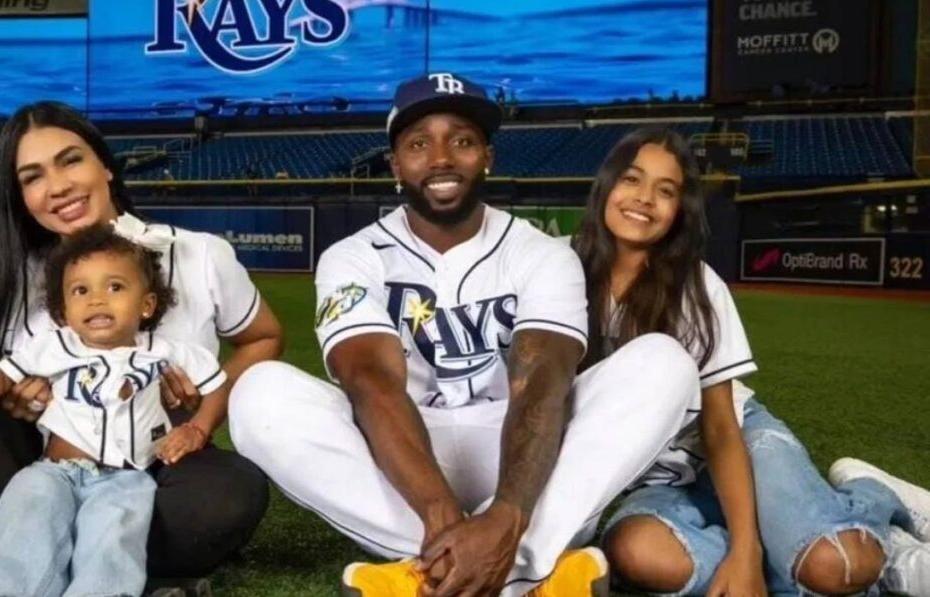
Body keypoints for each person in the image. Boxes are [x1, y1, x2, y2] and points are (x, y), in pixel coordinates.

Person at [227, 72, 702, 596]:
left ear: (487, 157)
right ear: (395, 166)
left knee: (665, 363)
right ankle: (526, 571)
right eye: (418, 144)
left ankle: (434, 574)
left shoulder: (541, 252)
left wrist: (508, 513)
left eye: (462, 141)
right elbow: (370, 382)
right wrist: (441, 513)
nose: (441, 158)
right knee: (257, 392)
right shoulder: (353, 257)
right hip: (404, 456)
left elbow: (543, 382)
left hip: (520, 452)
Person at [0, 101, 282, 593]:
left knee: (232, 491)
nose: (58, 186)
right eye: (33, 177)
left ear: (105, 165)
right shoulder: (19, 278)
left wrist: (197, 421)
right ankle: (106, 575)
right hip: (48, 470)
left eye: (71, 160)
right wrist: (16, 400)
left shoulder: (198, 253)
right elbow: (7, 379)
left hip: (152, 468)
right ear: (21, 197)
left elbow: (263, 337)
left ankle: (12, 570)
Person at [572, 126, 930, 596]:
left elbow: (721, 428)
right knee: (637, 554)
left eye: (666, 190)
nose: (644, 198)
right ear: (607, 183)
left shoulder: (696, 286)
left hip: (740, 443)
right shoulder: (561, 270)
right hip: (662, 480)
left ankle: (875, 503)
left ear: (680, 211)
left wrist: (744, 550)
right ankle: (799, 553)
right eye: (632, 179)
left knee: (834, 566)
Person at [0, 224, 229, 596]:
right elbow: (3, 374)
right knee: (26, 528)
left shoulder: (164, 350)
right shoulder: (57, 346)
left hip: (125, 479)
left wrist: (197, 429)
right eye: (81, 290)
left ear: (147, 304)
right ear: (64, 311)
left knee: (112, 544)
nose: (97, 300)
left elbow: (217, 386)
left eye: (115, 287)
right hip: (52, 471)